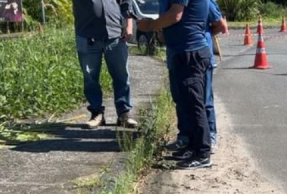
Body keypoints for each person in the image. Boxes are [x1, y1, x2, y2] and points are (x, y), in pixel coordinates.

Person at [138, 0, 211, 169]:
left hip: (190, 54)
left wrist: (149, 25)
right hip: (185, 52)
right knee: (187, 105)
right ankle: (193, 148)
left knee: (194, 106)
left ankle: (202, 153)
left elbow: (175, 15)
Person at [164, 0, 227, 154]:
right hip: (176, 56)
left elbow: (221, 25)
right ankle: (186, 138)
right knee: (181, 100)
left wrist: (198, 32)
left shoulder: (204, 3)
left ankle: (208, 138)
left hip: (196, 55)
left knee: (203, 102)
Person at [72, 0, 138, 128]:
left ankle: (124, 114)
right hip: (87, 35)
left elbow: (125, 2)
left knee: (121, 75)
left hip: (116, 34)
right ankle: (96, 114)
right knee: (90, 78)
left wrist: (129, 26)